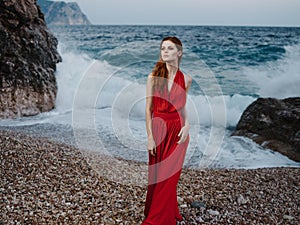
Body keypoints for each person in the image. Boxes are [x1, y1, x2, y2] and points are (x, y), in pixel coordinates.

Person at [142, 36, 192, 225]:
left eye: (170, 48)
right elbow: (148, 109)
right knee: (157, 176)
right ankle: (166, 211)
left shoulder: (187, 79)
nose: (165, 51)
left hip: (178, 133)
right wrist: (150, 137)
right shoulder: (153, 78)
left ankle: (157, 220)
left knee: (169, 177)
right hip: (158, 130)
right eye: (163, 48)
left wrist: (187, 124)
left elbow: (182, 107)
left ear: (179, 53)